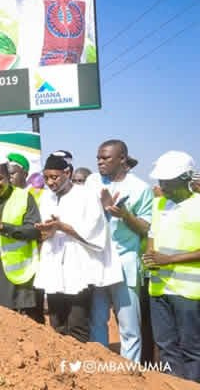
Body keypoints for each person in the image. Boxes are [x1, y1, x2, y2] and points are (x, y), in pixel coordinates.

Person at [33, 151, 122, 343]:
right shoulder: (46, 198)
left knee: (77, 324)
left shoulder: (86, 196)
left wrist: (62, 227)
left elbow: (95, 232)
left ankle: (80, 369)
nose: (50, 182)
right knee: (57, 324)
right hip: (53, 265)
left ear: (67, 173)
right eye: (46, 177)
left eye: (54, 177)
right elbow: (45, 233)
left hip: (78, 269)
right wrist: (45, 231)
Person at [86, 140, 153, 363]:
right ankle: (101, 371)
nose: (100, 162)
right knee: (97, 320)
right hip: (97, 262)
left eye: (105, 158)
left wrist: (125, 216)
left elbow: (146, 228)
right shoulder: (92, 182)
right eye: (98, 158)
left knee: (129, 326)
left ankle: (129, 376)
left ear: (122, 158)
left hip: (125, 262)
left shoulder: (140, 188)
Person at [142, 151, 200, 382]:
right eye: (161, 180)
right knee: (166, 346)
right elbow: (152, 236)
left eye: (169, 180)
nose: (162, 185)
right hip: (159, 288)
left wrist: (170, 260)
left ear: (186, 178)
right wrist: (149, 254)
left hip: (188, 291)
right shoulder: (159, 204)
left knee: (191, 348)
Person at [0, 155, 44, 323]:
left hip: (19, 276)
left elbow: (33, 231)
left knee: (21, 325)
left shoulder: (24, 197)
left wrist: (2, 227)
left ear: (8, 176)